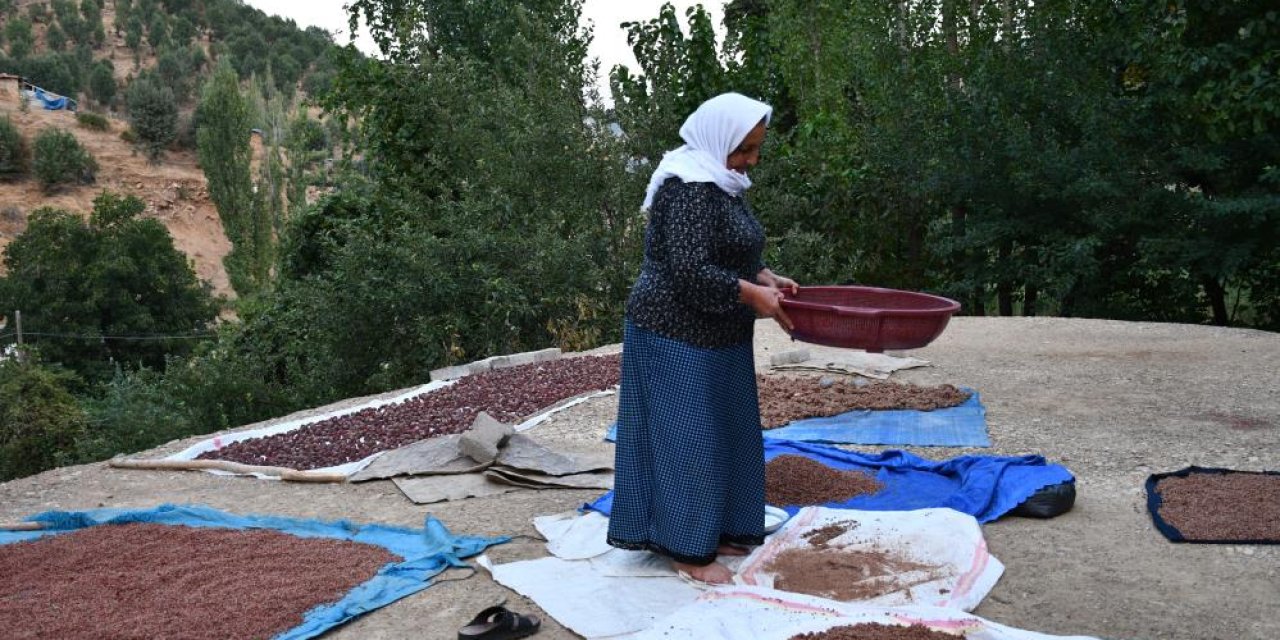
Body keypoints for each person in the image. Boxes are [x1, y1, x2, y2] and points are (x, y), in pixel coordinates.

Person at [606, 92, 798, 585]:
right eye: (744, 149)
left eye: (756, 149)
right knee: (685, 439)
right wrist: (752, 295)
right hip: (674, 330)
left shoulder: (723, 181)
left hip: (720, 330)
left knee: (727, 432)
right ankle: (686, 548)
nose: (751, 160)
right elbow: (690, 271)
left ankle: (723, 527)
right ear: (718, 140)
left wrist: (766, 277)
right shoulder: (688, 186)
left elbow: (733, 248)